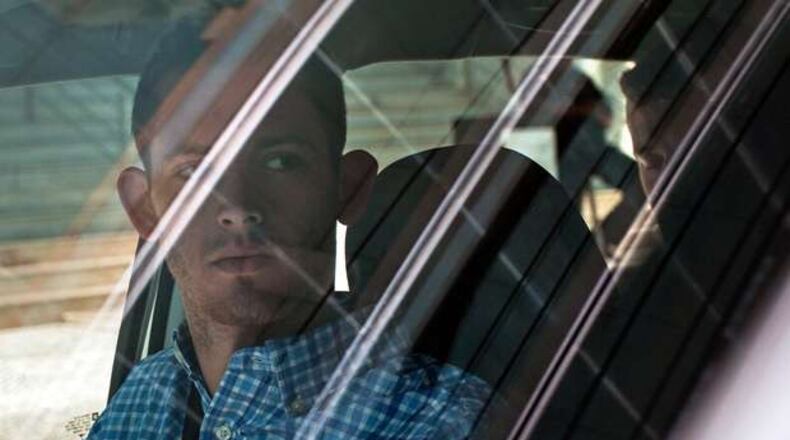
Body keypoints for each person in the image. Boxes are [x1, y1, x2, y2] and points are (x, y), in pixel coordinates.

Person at [88, 11, 490, 440]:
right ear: (145, 209)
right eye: (193, 173)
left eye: (279, 161)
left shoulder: (445, 424)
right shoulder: (138, 403)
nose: (238, 207)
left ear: (348, 191)